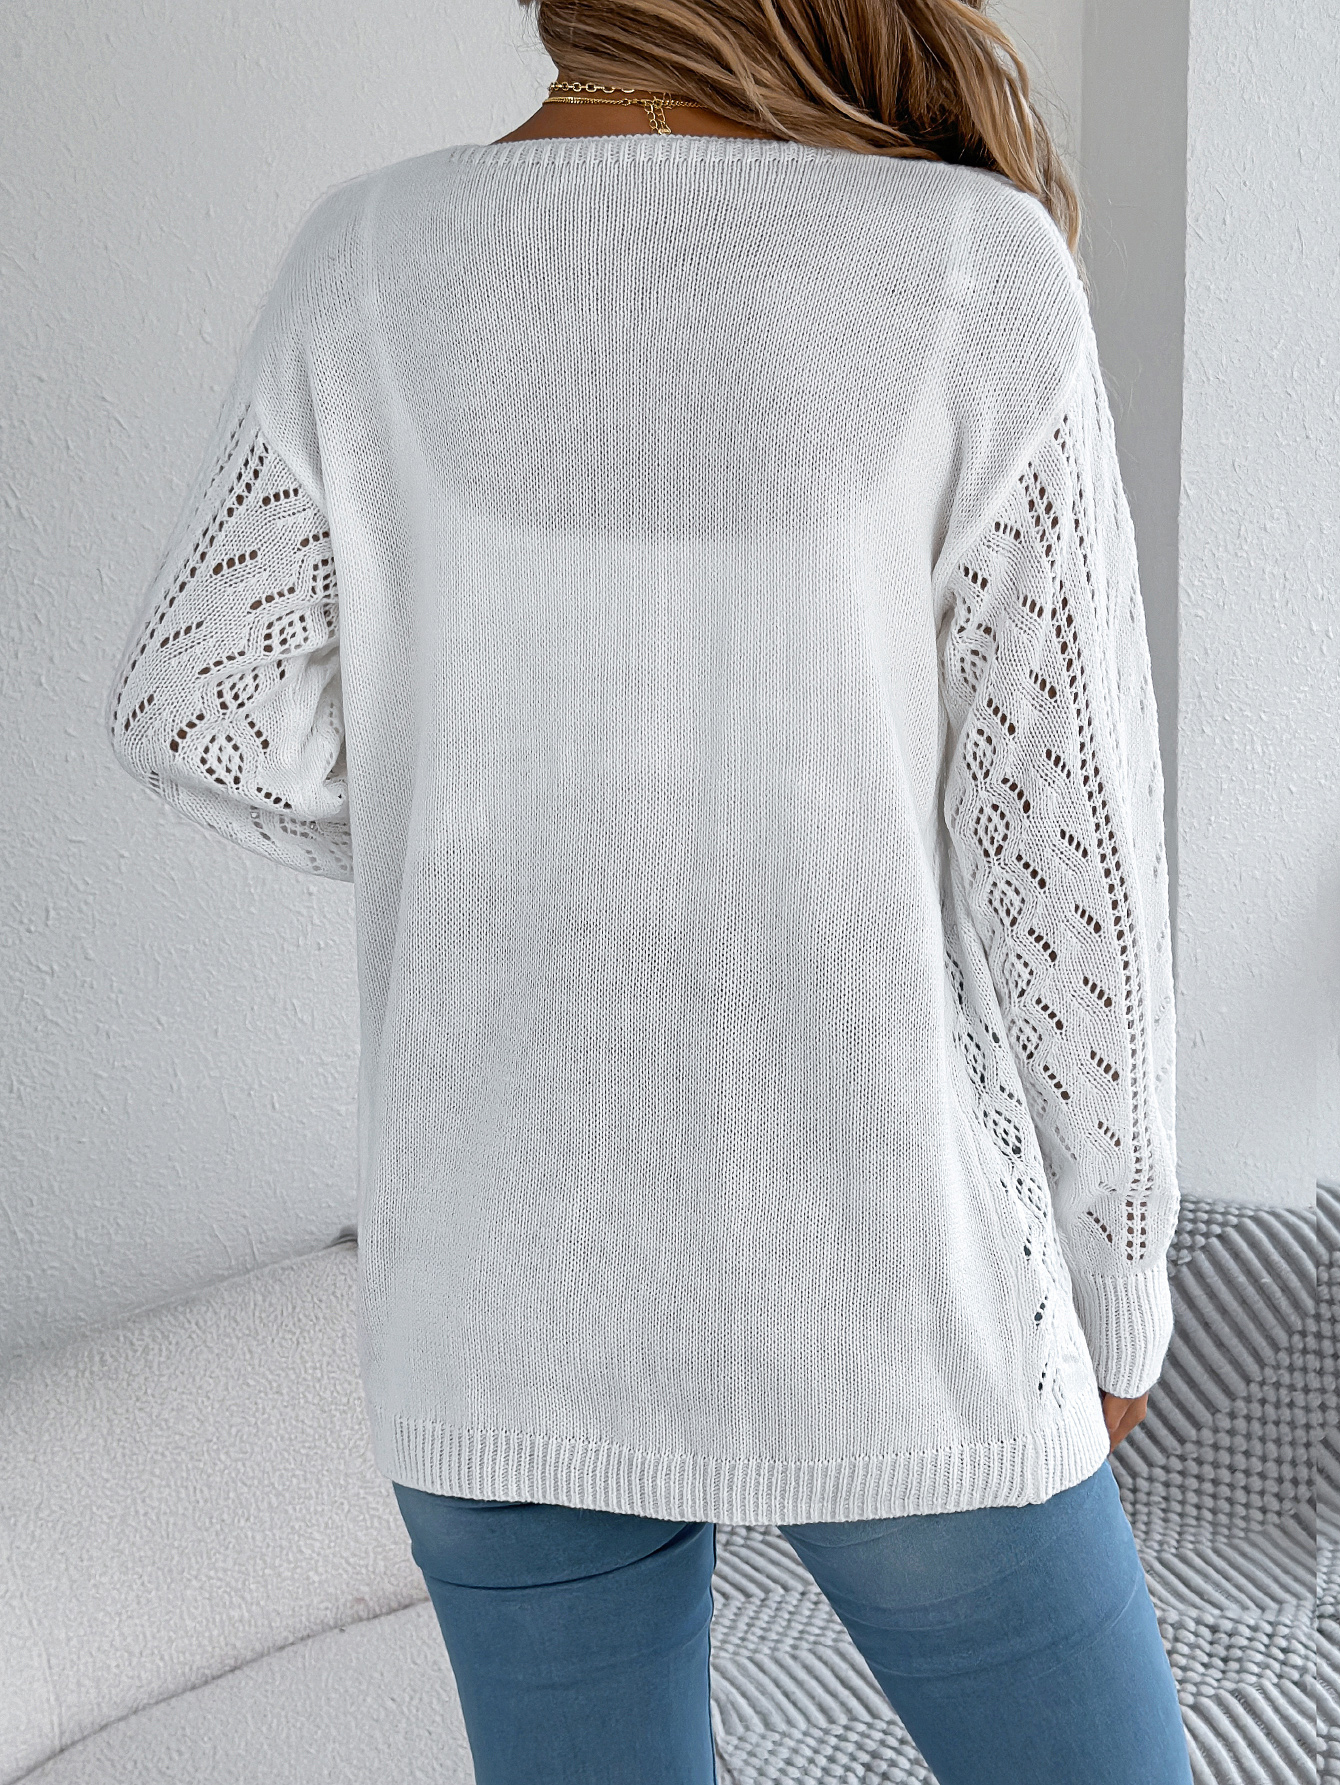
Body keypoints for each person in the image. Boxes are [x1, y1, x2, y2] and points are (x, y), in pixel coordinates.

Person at [104, 1, 1194, 1779]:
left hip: (498, 1310)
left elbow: (199, 708)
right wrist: (1122, 1275)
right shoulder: (967, 266)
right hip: (893, 1292)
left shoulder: (369, 260)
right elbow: (1069, 856)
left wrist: (515, 802)